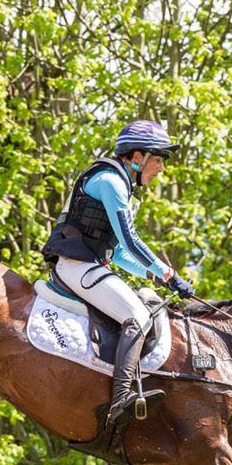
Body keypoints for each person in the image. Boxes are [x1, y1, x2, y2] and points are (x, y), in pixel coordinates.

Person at [42, 120, 194, 427]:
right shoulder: (110, 182)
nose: (161, 169)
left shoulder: (122, 186)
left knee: (144, 305)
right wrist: (169, 274)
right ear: (137, 157)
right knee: (138, 316)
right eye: (158, 160)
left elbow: (120, 253)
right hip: (76, 265)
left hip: (89, 265)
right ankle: (121, 398)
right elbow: (130, 240)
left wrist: (154, 277)